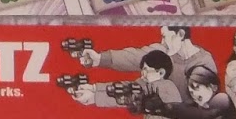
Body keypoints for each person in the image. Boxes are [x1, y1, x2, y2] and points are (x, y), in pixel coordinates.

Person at [71, 26, 217, 106]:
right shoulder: (165, 50)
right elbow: (135, 57)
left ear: (180, 34)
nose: (163, 41)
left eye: (165, 36)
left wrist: (97, 95)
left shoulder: (204, 62)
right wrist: (100, 60)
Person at [67, 50, 185, 119]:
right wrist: (94, 88)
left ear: (161, 73)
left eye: (146, 70)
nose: (142, 74)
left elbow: (130, 94)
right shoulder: (150, 84)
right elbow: (127, 87)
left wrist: (95, 97)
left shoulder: (165, 86)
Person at [161, 64, 236, 119]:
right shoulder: (193, 108)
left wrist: (167, 107)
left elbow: (202, 115)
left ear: (213, 87)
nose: (194, 94)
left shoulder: (222, 99)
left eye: (196, 87)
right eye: (191, 92)